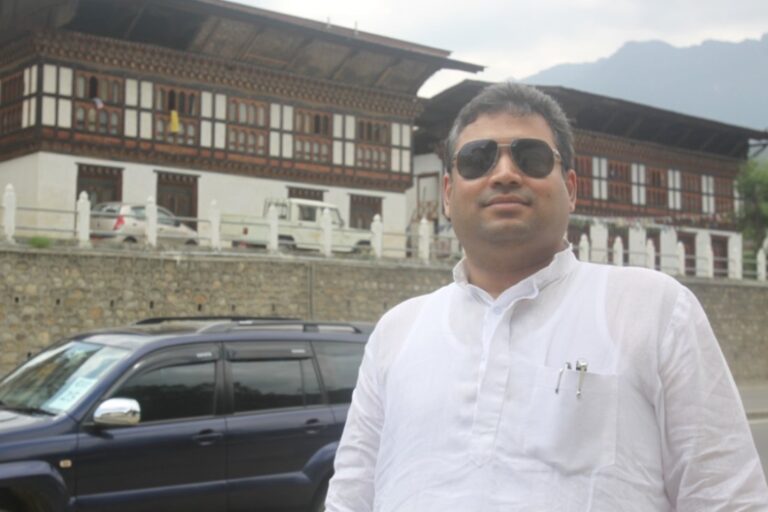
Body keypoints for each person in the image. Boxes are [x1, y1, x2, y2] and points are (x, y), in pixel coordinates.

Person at [325, 82, 768, 511]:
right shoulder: (397, 332)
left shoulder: (651, 309)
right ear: (447, 193)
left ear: (571, 188)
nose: (503, 174)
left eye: (531, 157)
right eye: (477, 159)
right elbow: (350, 498)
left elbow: (728, 498)